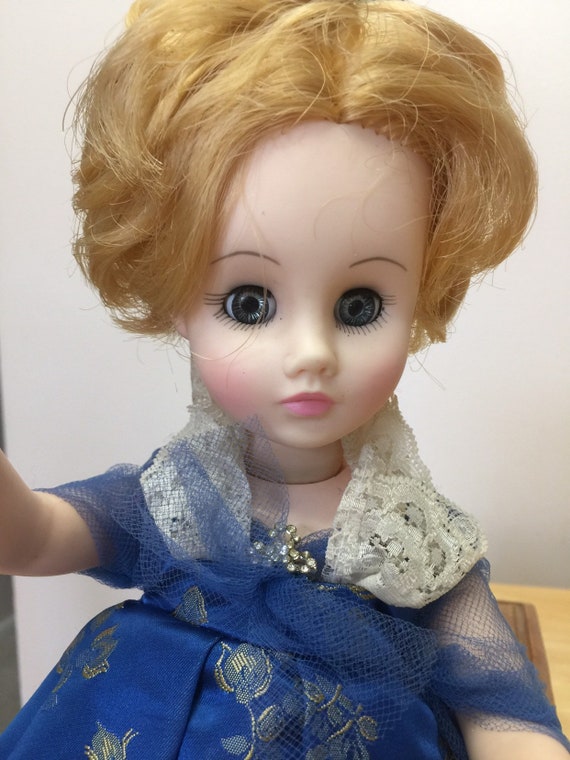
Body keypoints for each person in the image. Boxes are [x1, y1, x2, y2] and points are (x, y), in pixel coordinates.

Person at [0, 1, 568, 758]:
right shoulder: (175, 499)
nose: (311, 353)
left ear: (422, 297)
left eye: (360, 307)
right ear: (177, 302)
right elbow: (36, 538)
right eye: (248, 303)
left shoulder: (412, 543)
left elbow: (504, 712)